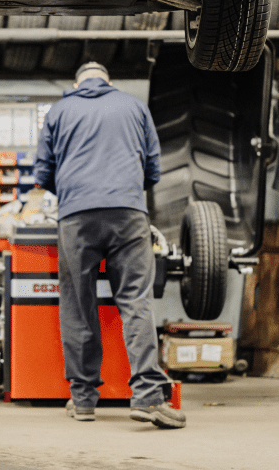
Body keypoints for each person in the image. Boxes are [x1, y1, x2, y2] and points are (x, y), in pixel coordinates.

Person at [33, 62, 186, 429]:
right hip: (129, 214)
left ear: (76, 82)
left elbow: (43, 173)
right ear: (108, 81)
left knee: (78, 303)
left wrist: (76, 192)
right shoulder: (134, 106)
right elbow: (153, 169)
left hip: (76, 219)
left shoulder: (59, 110)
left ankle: (84, 399)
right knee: (136, 301)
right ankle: (148, 396)